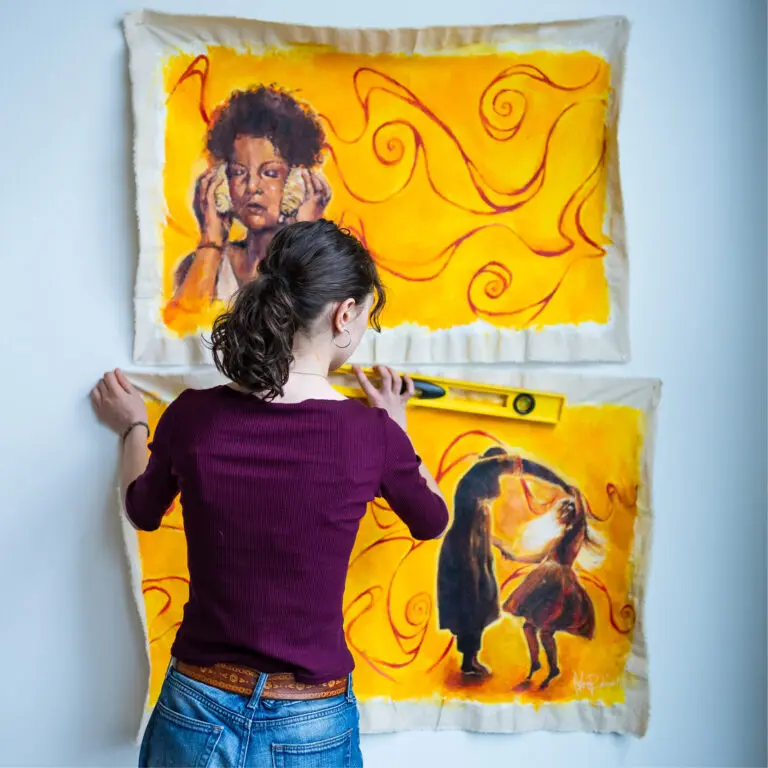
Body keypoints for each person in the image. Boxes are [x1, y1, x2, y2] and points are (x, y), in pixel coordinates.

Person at [91, 219, 448, 767]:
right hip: (312, 720)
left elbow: (141, 509)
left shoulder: (192, 415)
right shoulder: (371, 436)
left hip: (196, 705)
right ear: (344, 314)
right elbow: (431, 519)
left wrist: (134, 426)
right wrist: (395, 427)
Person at [166, 85, 331, 320]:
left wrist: (304, 238)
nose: (252, 186)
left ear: (297, 182)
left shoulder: (318, 268)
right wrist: (211, 242)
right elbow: (182, 329)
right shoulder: (198, 266)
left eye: (270, 173)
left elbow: (307, 331)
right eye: (238, 172)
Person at [437, 449, 571, 680]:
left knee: (481, 600)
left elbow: (479, 525)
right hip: (464, 552)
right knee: (472, 601)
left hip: (475, 548)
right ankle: (469, 662)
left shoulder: (480, 487)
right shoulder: (485, 469)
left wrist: (500, 545)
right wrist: (561, 483)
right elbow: (529, 466)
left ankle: (469, 659)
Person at [497, 489, 597, 691]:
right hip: (544, 581)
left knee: (544, 631)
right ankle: (537, 663)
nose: (563, 515)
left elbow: (580, 518)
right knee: (530, 628)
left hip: (557, 585)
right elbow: (539, 557)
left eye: (568, 512)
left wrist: (576, 492)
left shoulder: (575, 536)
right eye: (563, 512)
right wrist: (514, 557)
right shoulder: (560, 538)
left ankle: (552, 668)